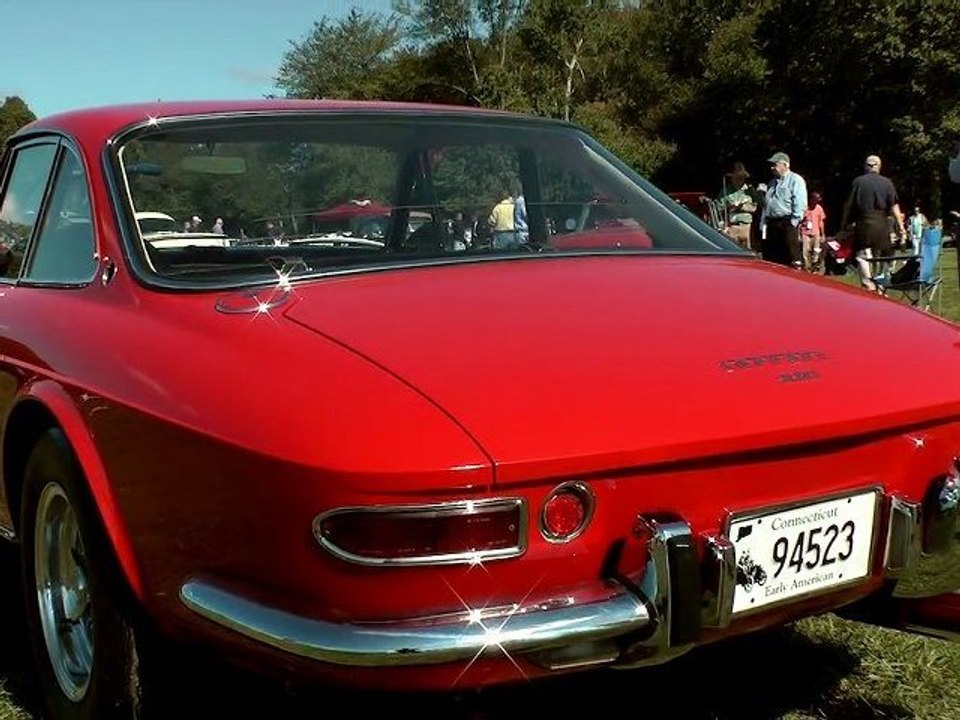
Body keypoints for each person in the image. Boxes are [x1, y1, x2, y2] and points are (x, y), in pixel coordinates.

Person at [839, 154, 906, 292]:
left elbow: (848, 206)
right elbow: (894, 206)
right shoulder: (887, 183)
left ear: (865, 166)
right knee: (882, 256)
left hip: (864, 224)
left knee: (862, 256)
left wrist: (843, 224)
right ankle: (881, 286)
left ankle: (868, 284)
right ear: (879, 166)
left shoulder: (857, 182)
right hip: (882, 225)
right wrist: (901, 225)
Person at [759, 151, 807, 267]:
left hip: (787, 222)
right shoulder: (772, 183)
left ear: (785, 165)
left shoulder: (795, 180)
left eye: (775, 164)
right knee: (773, 256)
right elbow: (767, 204)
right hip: (773, 223)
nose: (772, 168)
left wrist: (794, 221)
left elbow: (800, 202)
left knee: (792, 255)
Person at [716, 161, 758, 251]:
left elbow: (755, 207)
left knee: (747, 251)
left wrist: (742, 207)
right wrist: (728, 206)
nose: (739, 180)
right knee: (733, 250)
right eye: (736, 178)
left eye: (741, 178)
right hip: (731, 226)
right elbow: (718, 206)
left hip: (746, 226)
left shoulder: (750, 191)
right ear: (732, 178)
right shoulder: (725, 190)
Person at [800, 191, 826, 272]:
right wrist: (798, 234)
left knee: (816, 251)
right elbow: (800, 221)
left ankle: (815, 267)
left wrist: (823, 234)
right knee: (805, 251)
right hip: (805, 233)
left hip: (816, 233)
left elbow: (821, 222)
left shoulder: (819, 208)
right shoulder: (804, 208)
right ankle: (806, 267)